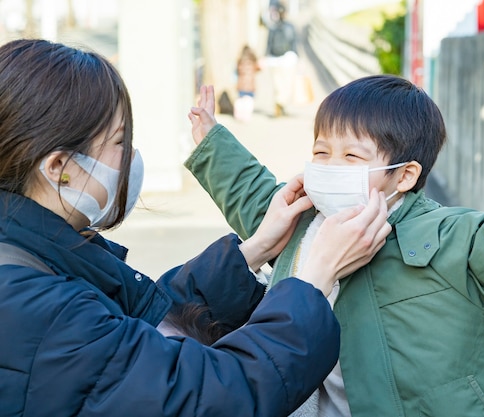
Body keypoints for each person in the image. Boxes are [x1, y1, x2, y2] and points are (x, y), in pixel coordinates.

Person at [0, 39, 392, 417]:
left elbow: (143, 320)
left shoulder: (37, 254)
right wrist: (314, 277)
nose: (133, 156)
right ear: (58, 169)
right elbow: (212, 393)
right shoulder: (33, 305)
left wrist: (253, 250)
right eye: (120, 141)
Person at [186, 76, 484, 417]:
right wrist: (212, 142)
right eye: (321, 151)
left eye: (351, 156)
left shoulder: (447, 237)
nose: (329, 167)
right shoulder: (298, 219)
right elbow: (254, 193)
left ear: (403, 177)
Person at [264, 2, 298, 117]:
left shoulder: (272, 27)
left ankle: (279, 105)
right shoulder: (290, 26)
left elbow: (268, 44)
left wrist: (265, 56)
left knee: (278, 85)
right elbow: (294, 43)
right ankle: (280, 104)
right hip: (286, 59)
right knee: (286, 84)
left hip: (275, 59)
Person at [234, 45, 261, 122]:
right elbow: (259, 68)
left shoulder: (240, 62)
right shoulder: (253, 62)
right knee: (249, 101)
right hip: (250, 85)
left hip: (241, 85)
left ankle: (238, 115)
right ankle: (246, 116)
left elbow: (236, 70)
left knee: (240, 100)